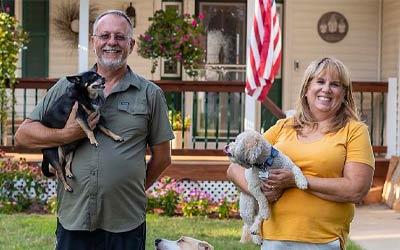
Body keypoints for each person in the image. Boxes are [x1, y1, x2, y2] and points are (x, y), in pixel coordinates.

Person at [15, 10, 174, 250]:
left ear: (131, 44)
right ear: (93, 42)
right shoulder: (67, 87)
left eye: (120, 37)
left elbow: (163, 158)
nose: (112, 42)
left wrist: (131, 190)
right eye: (105, 36)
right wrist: (66, 135)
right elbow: (23, 135)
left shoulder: (150, 94)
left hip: (126, 221)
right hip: (75, 218)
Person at [227, 57, 375, 250]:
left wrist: (295, 180)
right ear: (306, 89)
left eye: (335, 84)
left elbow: (356, 189)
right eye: (320, 82)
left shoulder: (354, 131)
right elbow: (234, 168)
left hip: (323, 241)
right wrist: (262, 191)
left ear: (344, 94)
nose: (327, 89)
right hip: (274, 241)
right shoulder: (283, 127)